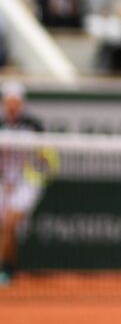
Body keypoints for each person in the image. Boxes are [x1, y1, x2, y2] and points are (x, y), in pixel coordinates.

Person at [0, 82, 53, 286]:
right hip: (4, 184)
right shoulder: (1, 126)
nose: (13, 105)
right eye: (9, 101)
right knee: (6, 228)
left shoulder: (34, 126)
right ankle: (9, 268)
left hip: (27, 183)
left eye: (16, 101)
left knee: (10, 223)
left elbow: (46, 158)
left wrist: (38, 170)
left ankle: (5, 270)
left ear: (21, 103)